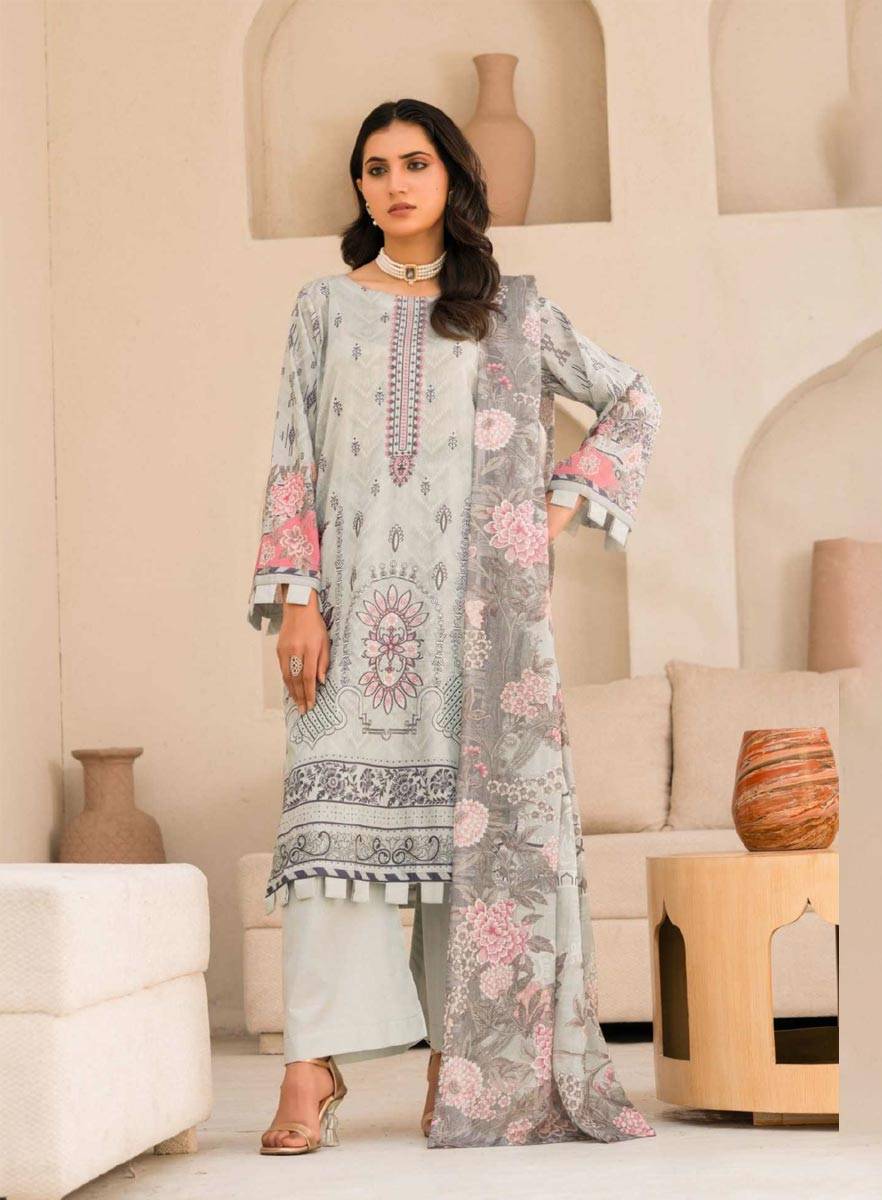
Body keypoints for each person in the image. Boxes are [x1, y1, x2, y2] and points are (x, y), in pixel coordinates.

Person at [249, 99, 661, 1154]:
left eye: (415, 163)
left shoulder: (508, 311)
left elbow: (630, 400)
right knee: (328, 837)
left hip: (476, 624)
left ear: (451, 178)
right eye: (375, 167)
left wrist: (552, 510)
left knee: (465, 847)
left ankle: (462, 1066)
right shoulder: (323, 307)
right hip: (350, 617)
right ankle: (311, 1065)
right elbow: (294, 453)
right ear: (360, 187)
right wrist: (298, 599)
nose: (394, 183)